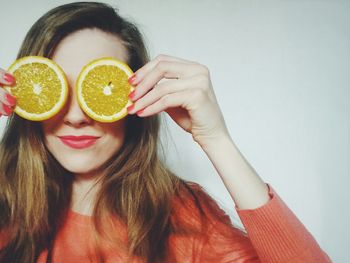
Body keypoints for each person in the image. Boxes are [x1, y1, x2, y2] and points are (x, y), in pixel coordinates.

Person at [0, 2, 331, 263]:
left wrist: (215, 138)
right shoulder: (6, 203)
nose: (75, 116)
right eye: (58, 91)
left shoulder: (184, 218)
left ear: (137, 99)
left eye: (100, 89)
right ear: (27, 99)